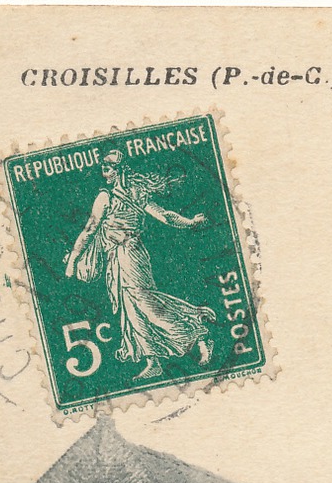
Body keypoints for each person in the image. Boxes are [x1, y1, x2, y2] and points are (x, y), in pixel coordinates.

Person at [62, 150, 218, 380]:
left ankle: (197, 333)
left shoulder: (130, 194)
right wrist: (74, 258)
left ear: (120, 169)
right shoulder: (108, 196)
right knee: (131, 310)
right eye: (103, 166)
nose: (104, 169)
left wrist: (190, 222)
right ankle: (153, 361)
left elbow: (165, 215)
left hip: (131, 254)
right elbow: (89, 230)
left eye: (110, 165)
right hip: (117, 257)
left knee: (145, 304)